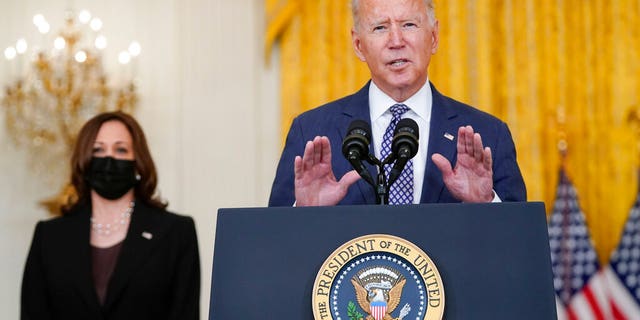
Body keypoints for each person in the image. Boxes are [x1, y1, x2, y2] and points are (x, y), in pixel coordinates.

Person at [269, 0, 526, 206]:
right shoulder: (312, 131)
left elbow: (519, 247)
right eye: (380, 27)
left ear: (434, 37)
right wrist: (302, 214)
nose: (396, 41)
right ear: (358, 45)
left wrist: (487, 204)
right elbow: (275, 245)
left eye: (409, 25)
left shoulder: (490, 134)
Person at [21, 112, 200, 319]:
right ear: (84, 162)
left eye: (121, 150)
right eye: (98, 150)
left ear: (138, 162)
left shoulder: (176, 232)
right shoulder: (49, 236)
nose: (109, 159)